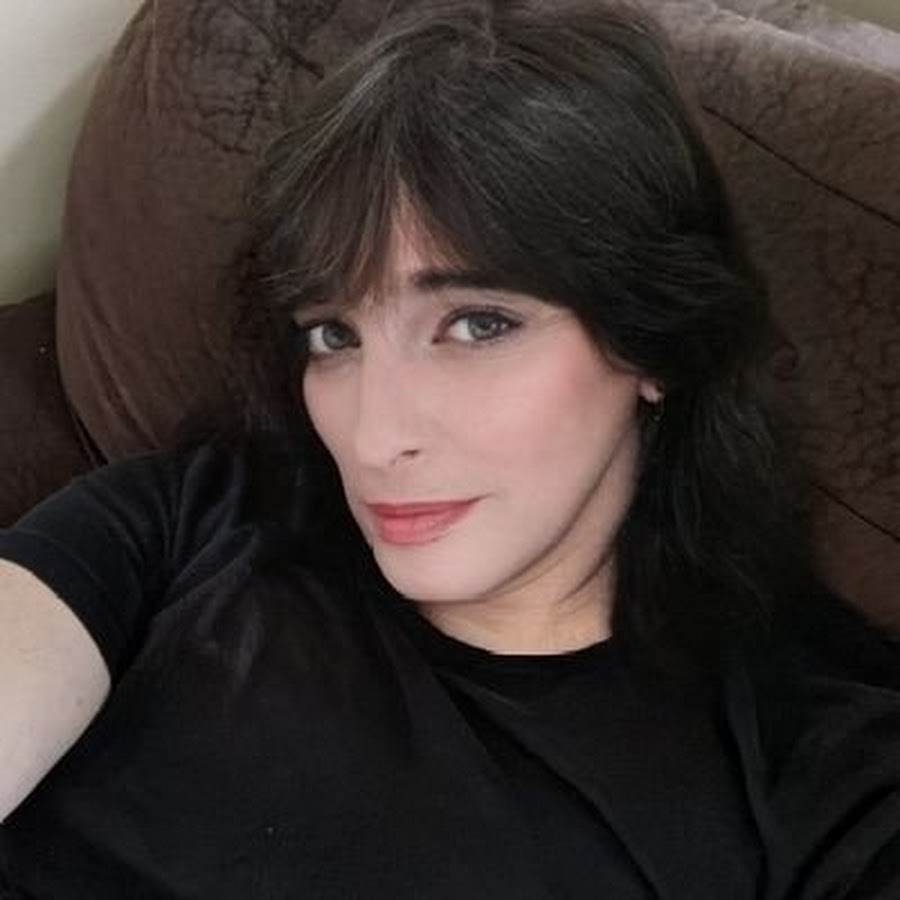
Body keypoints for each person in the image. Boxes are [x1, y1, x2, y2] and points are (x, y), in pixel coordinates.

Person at [1, 1, 898, 896]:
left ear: (652, 341)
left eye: (477, 324)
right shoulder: (189, 518)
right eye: (333, 335)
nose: (374, 438)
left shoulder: (816, 769)